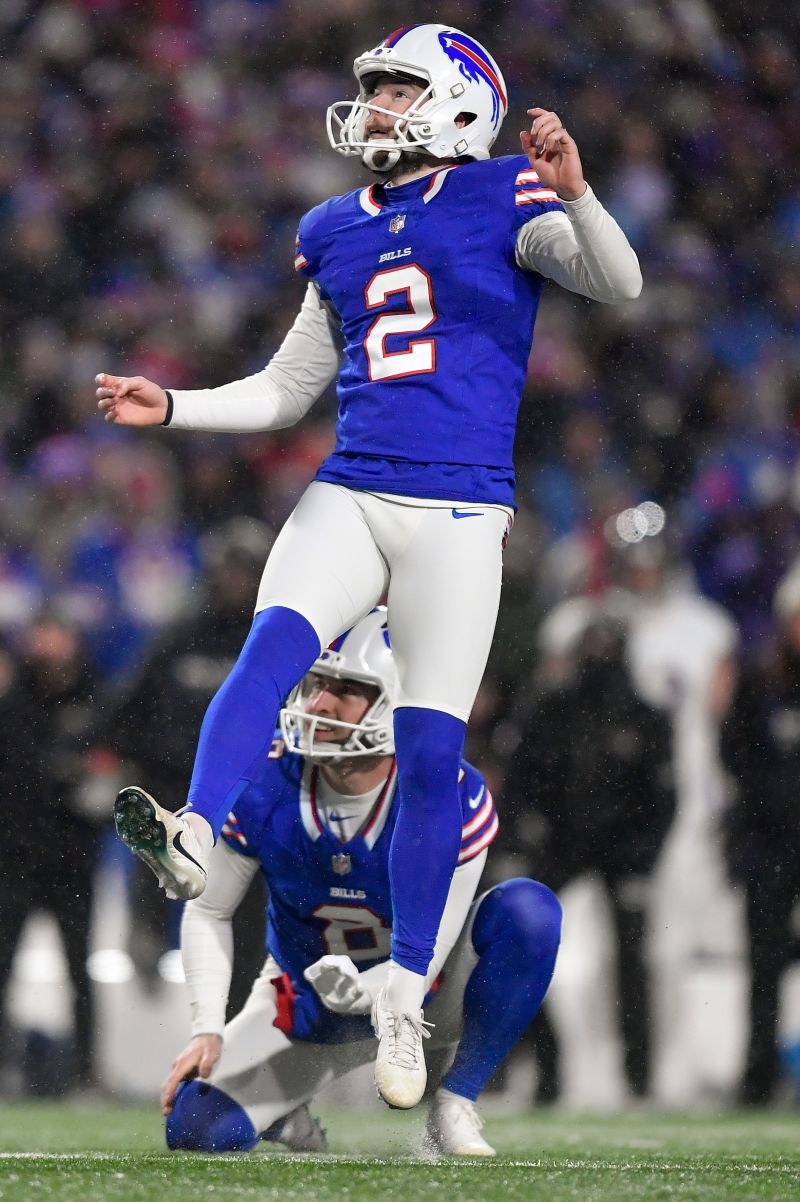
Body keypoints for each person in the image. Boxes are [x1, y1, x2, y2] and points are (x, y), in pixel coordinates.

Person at [98, 23, 641, 1108]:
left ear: (458, 104)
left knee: (430, 750)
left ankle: (404, 993)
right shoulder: (334, 225)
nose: (378, 106)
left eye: (398, 88)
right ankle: (196, 834)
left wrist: (577, 194)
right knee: (270, 649)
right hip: (351, 484)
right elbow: (286, 388)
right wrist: (178, 407)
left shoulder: (502, 192)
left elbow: (615, 283)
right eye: (377, 88)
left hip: (458, 508)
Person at [160, 608, 562, 1156]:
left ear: (397, 700)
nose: (319, 704)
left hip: (423, 1001)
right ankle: (285, 1114)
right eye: (316, 684)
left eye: (346, 690)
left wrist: (374, 988)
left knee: (529, 914)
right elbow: (210, 910)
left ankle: (456, 1100)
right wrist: (206, 1026)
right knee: (196, 1130)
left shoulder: (444, 792)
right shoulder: (268, 776)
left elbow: (432, 950)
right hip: (307, 1008)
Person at [503, 614, 674, 1101]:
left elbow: (662, 796)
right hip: (560, 842)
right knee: (521, 938)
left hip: (623, 850)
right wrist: (525, 839)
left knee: (632, 962)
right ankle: (545, 1067)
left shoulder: (643, 715)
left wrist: (642, 859)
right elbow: (522, 781)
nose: (599, 658)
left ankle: (639, 1078)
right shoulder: (550, 710)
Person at [721, 559, 800, 1104]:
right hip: (769, 843)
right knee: (764, 963)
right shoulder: (759, 681)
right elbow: (734, 753)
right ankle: (758, 1076)